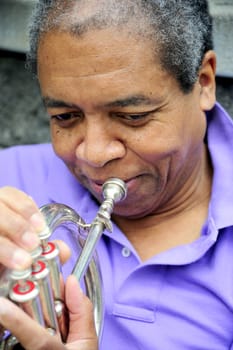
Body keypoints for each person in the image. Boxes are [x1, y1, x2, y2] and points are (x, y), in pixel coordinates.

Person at [0, 0, 233, 349]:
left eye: (133, 116)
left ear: (203, 83)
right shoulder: (9, 174)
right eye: (65, 117)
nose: (93, 155)